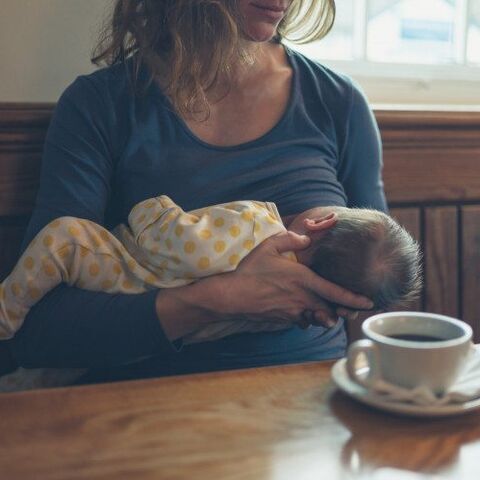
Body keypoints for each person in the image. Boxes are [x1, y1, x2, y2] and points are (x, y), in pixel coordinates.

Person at [8, 0, 388, 382]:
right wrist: (220, 300)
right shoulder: (100, 105)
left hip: (311, 402)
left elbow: (377, 284)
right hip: (147, 408)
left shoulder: (338, 102)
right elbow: (39, 332)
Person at [0, 196, 421, 344]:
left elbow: (174, 241)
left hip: (121, 271)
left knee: (64, 239)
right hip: (159, 339)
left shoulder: (258, 223)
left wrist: (154, 209)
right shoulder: (291, 314)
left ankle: (5, 313)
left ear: (320, 221)